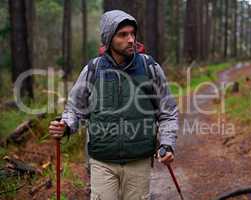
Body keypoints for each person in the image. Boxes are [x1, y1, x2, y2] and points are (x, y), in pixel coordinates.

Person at [49, 10, 178, 200]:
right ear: (109, 39)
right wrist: (65, 125)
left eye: (132, 34)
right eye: (123, 35)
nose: (131, 40)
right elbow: (75, 109)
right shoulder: (93, 69)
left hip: (139, 160)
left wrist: (167, 144)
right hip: (102, 162)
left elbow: (168, 113)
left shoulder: (150, 68)